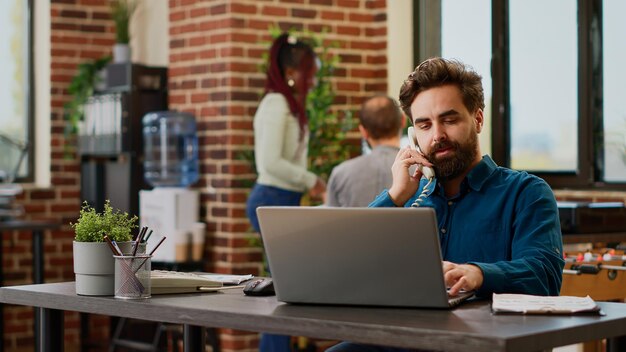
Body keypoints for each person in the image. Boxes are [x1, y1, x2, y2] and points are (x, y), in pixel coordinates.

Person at [328, 58, 564, 352]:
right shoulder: (410, 197)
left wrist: (478, 274)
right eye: (424, 125)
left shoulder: (526, 192)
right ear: (413, 134)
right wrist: (395, 195)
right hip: (408, 339)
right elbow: (347, 266)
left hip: (482, 343)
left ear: (477, 119)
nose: (437, 135)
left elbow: (544, 274)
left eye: (449, 120)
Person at [246, 33, 325, 352]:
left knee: (285, 287)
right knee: (285, 291)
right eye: (311, 71)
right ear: (293, 73)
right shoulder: (276, 104)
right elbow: (270, 163)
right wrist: (313, 181)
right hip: (271, 199)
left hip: (281, 200)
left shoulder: (286, 103)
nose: (315, 78)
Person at [326, 95, 405, 207]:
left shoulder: (340, 174)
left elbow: (330, 222)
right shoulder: (423, 171)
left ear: (363, 131)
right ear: (403, 121)